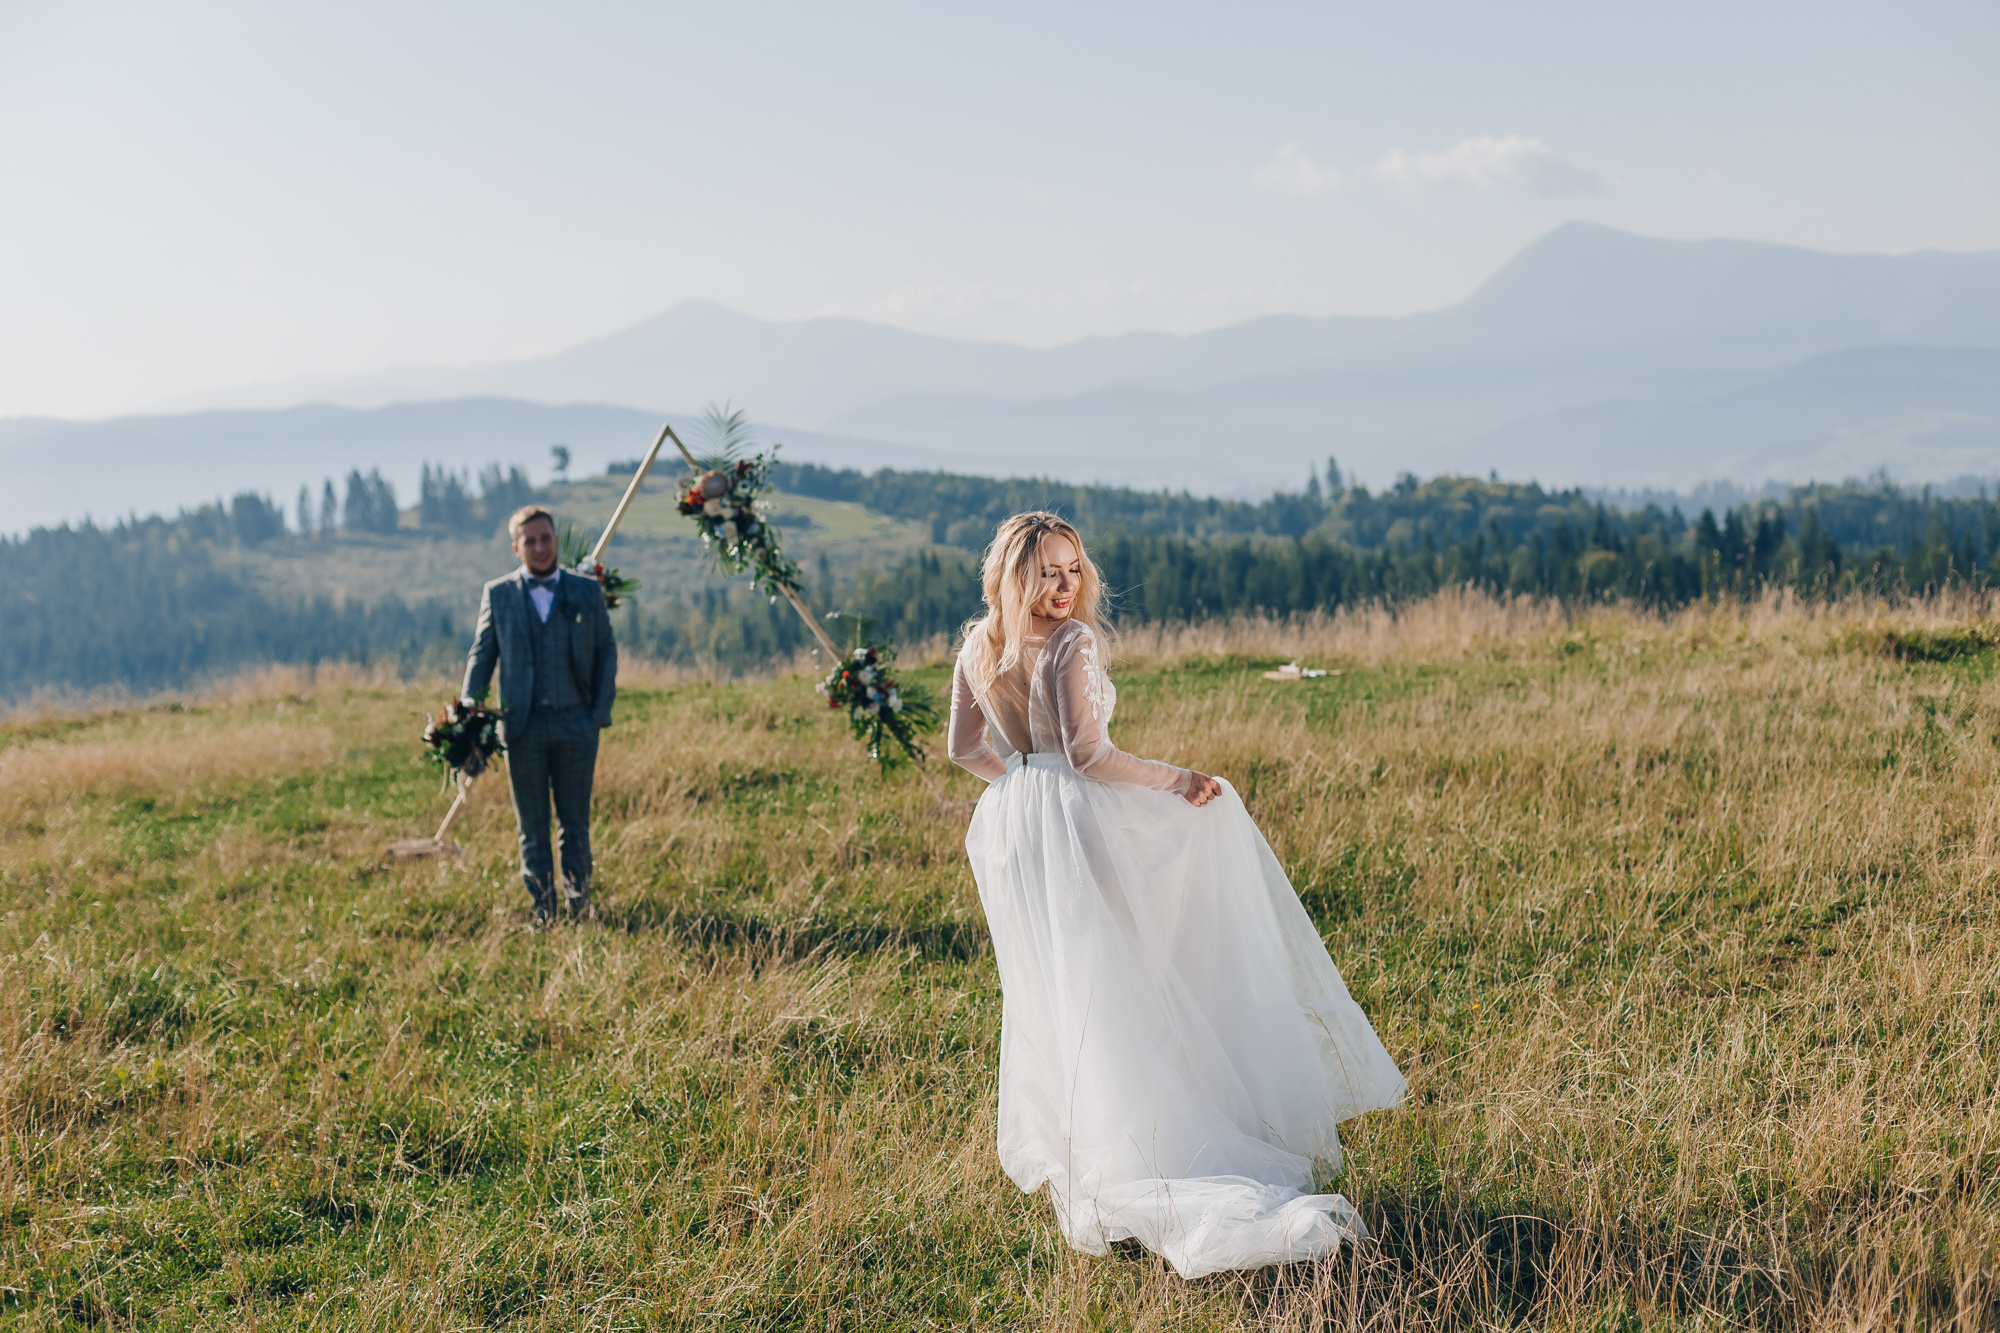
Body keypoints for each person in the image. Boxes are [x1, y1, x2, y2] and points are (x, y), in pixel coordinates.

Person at [946, 512, 1405, 1278]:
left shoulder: (977, 644)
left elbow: (968, 748)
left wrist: (1024, 789)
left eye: (1072, 569)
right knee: (1136, 969)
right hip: (1080, 818)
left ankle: (1102, 1138)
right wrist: (1180, 779)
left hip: (1020, 828)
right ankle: (1165, 1140)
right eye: (1048, 573)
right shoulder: (1069, 643)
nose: (1064, 587)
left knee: (1064, 983)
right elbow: (1089, 755)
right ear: (1016, 575)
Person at [463, 505, 618, 925]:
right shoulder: (498, 594)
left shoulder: (585, 591)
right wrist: (469, 720)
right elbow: (481, 659)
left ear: (555, 540)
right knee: (532, 827)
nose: (539, 547)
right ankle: (543, 911)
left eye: (545, 538)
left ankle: (579, 905)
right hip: (523, 729)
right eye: (529, 541)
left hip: (577, 725)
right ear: (517, 548)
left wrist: (599, 713)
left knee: (575, 824)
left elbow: (606, 650)